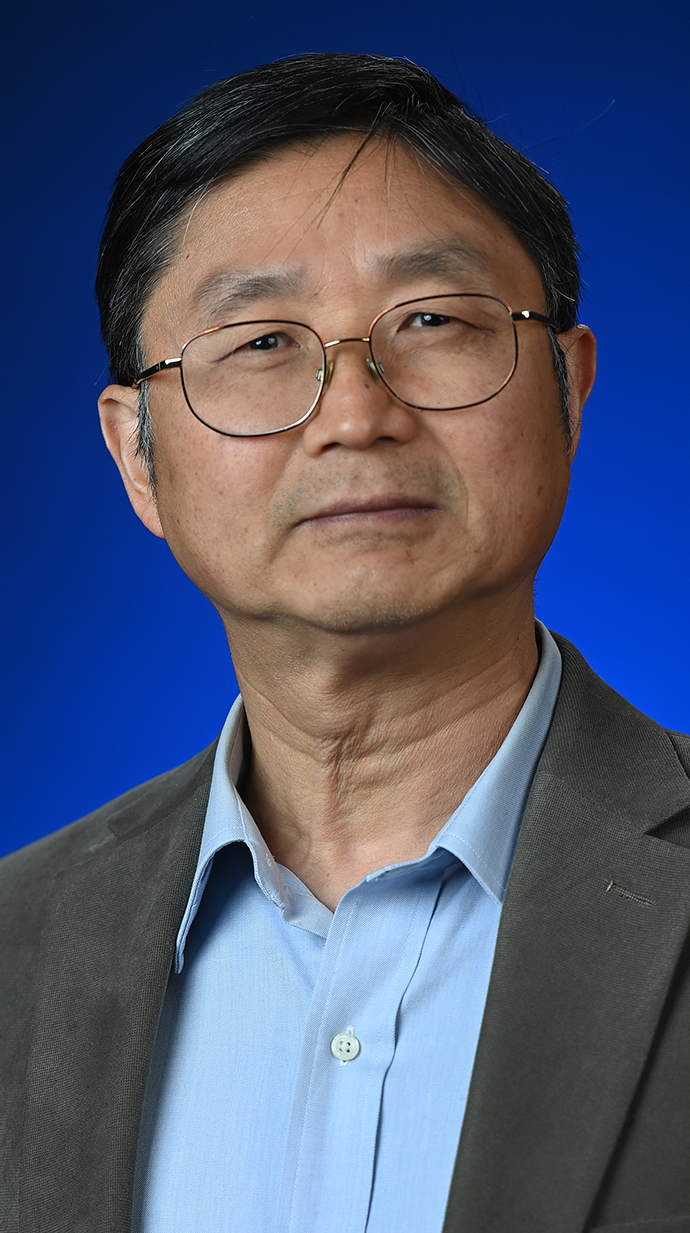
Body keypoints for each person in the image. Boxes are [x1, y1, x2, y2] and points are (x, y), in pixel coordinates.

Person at [2, 51, 690, 1233]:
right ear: (136, 456)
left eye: (432, 320)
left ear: (569, 392)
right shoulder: (19, 944)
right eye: (261, 342)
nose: (357, 414)